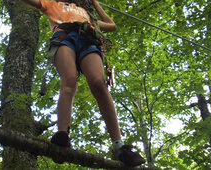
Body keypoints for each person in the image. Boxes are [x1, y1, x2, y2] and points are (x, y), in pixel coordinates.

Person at [20, 0, 146, 166]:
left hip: (88, 39)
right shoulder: (52, 4)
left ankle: (119, 147)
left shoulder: (88, 15)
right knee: (69, 80)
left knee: (99, 83)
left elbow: (111, 25)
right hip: (64, 37)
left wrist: (94, 3)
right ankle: (62, 135)